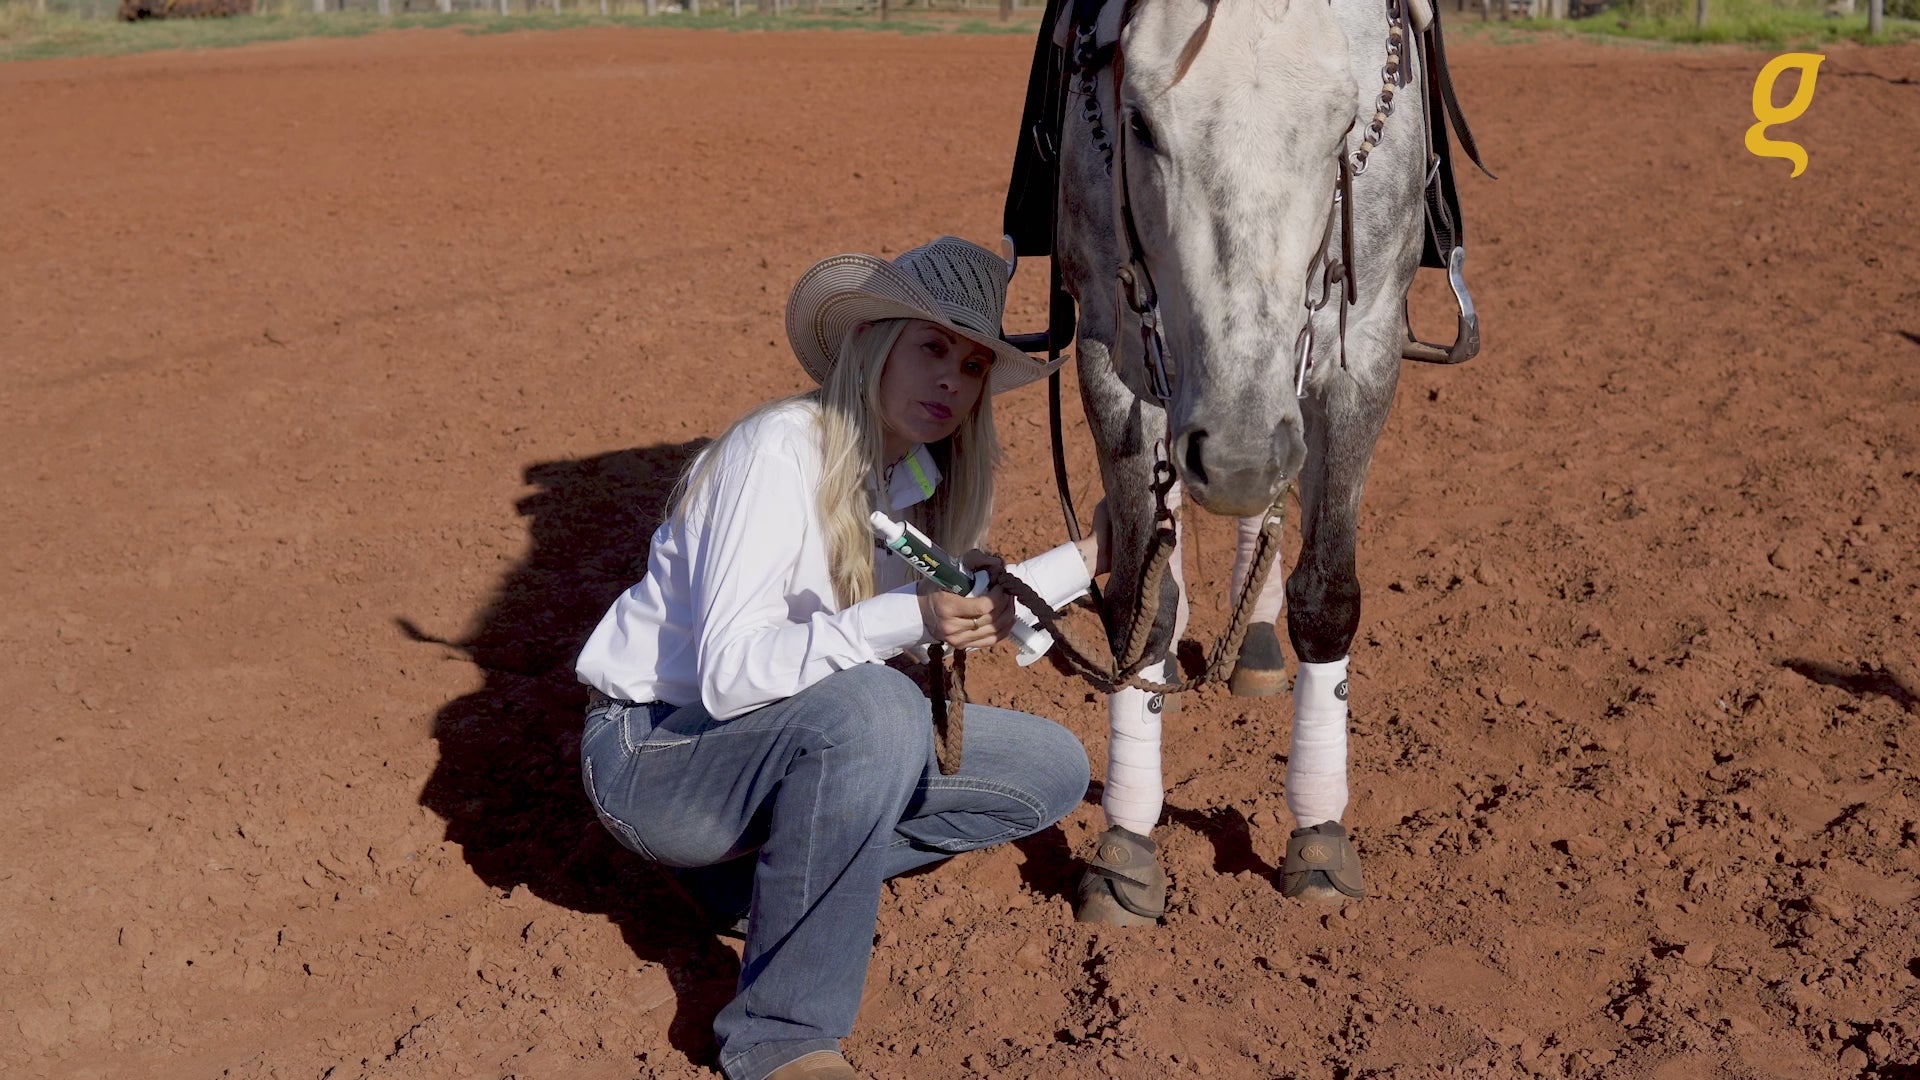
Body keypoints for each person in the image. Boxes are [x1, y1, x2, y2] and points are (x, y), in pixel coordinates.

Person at [574, 236, 1106, 1080]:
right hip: (656, 755)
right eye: (932, 348)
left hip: (760, 752)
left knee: (1049, 767)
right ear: (872, 343)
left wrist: (1094, 552)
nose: (951, 382)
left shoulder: (911, 483)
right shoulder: (778, 450)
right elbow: (731, 673)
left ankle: (753, 890)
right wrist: (902, 618)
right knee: (879, 709)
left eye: (971, 366)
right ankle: (783, 1036)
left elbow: (966, 607)